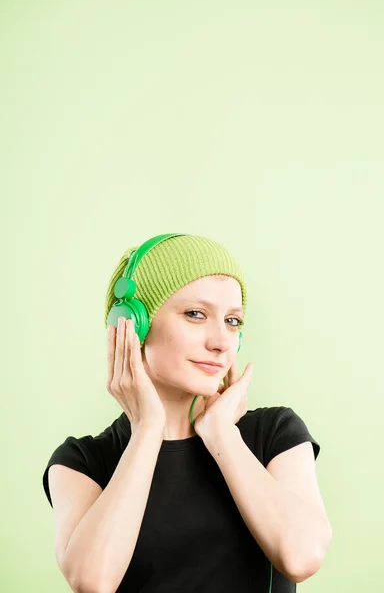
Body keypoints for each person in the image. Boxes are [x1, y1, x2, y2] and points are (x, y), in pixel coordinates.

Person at [42, 233, 329, 593]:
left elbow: (302, 557)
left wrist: (221, 433)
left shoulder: (273, 434)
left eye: (233, 321)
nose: (222, 341)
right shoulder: (82, 461)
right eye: (196, 314)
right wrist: (147, 430)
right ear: (132, 325)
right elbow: (92, 581)